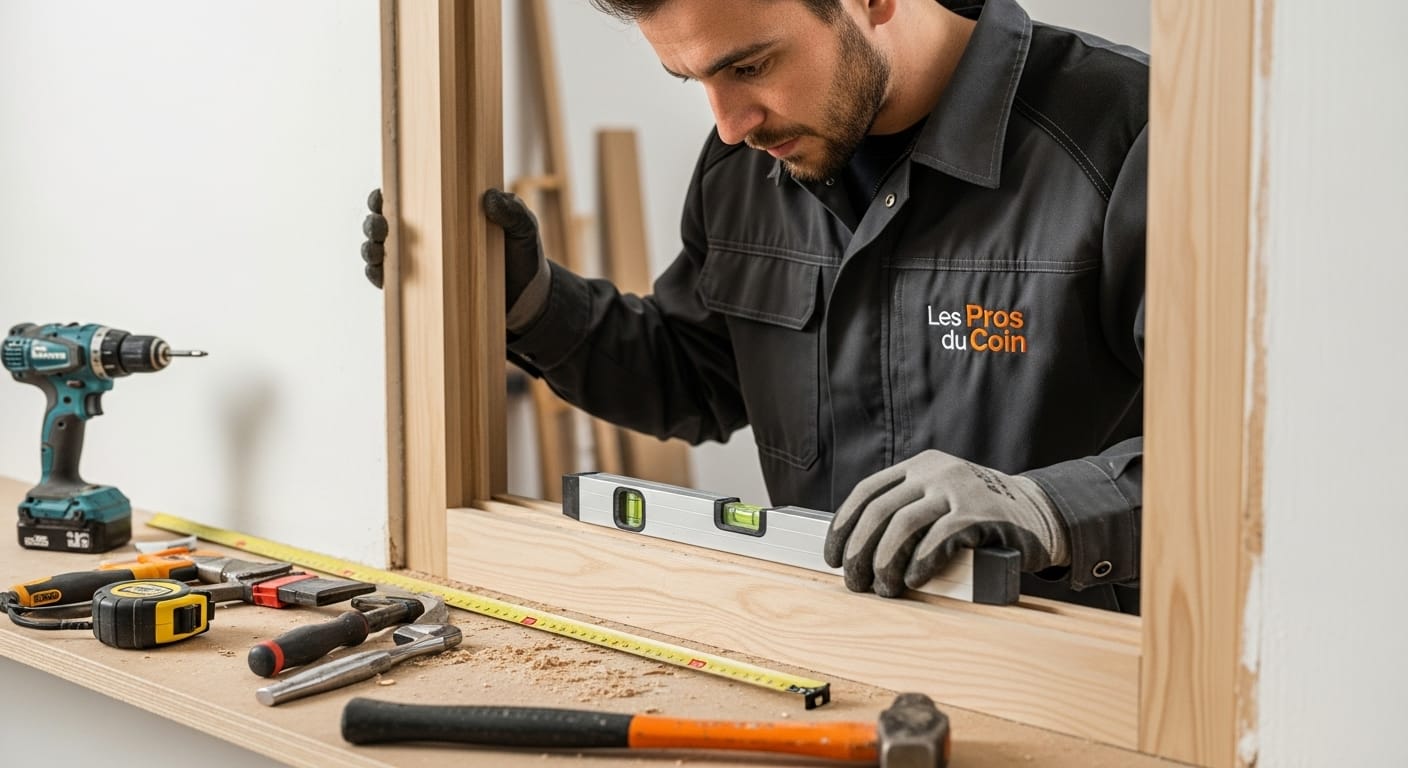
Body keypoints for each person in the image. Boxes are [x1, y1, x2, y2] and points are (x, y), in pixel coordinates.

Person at [362, 0, 1146, 614]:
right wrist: (526, 301)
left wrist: (1046, 508)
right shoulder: (745, 164)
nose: (728, 124)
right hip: (826, 653)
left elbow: (1250, 469)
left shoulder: (1132, 131)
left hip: (1070, 670)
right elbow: (695, 378)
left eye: (750, 65)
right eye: (694, 80)